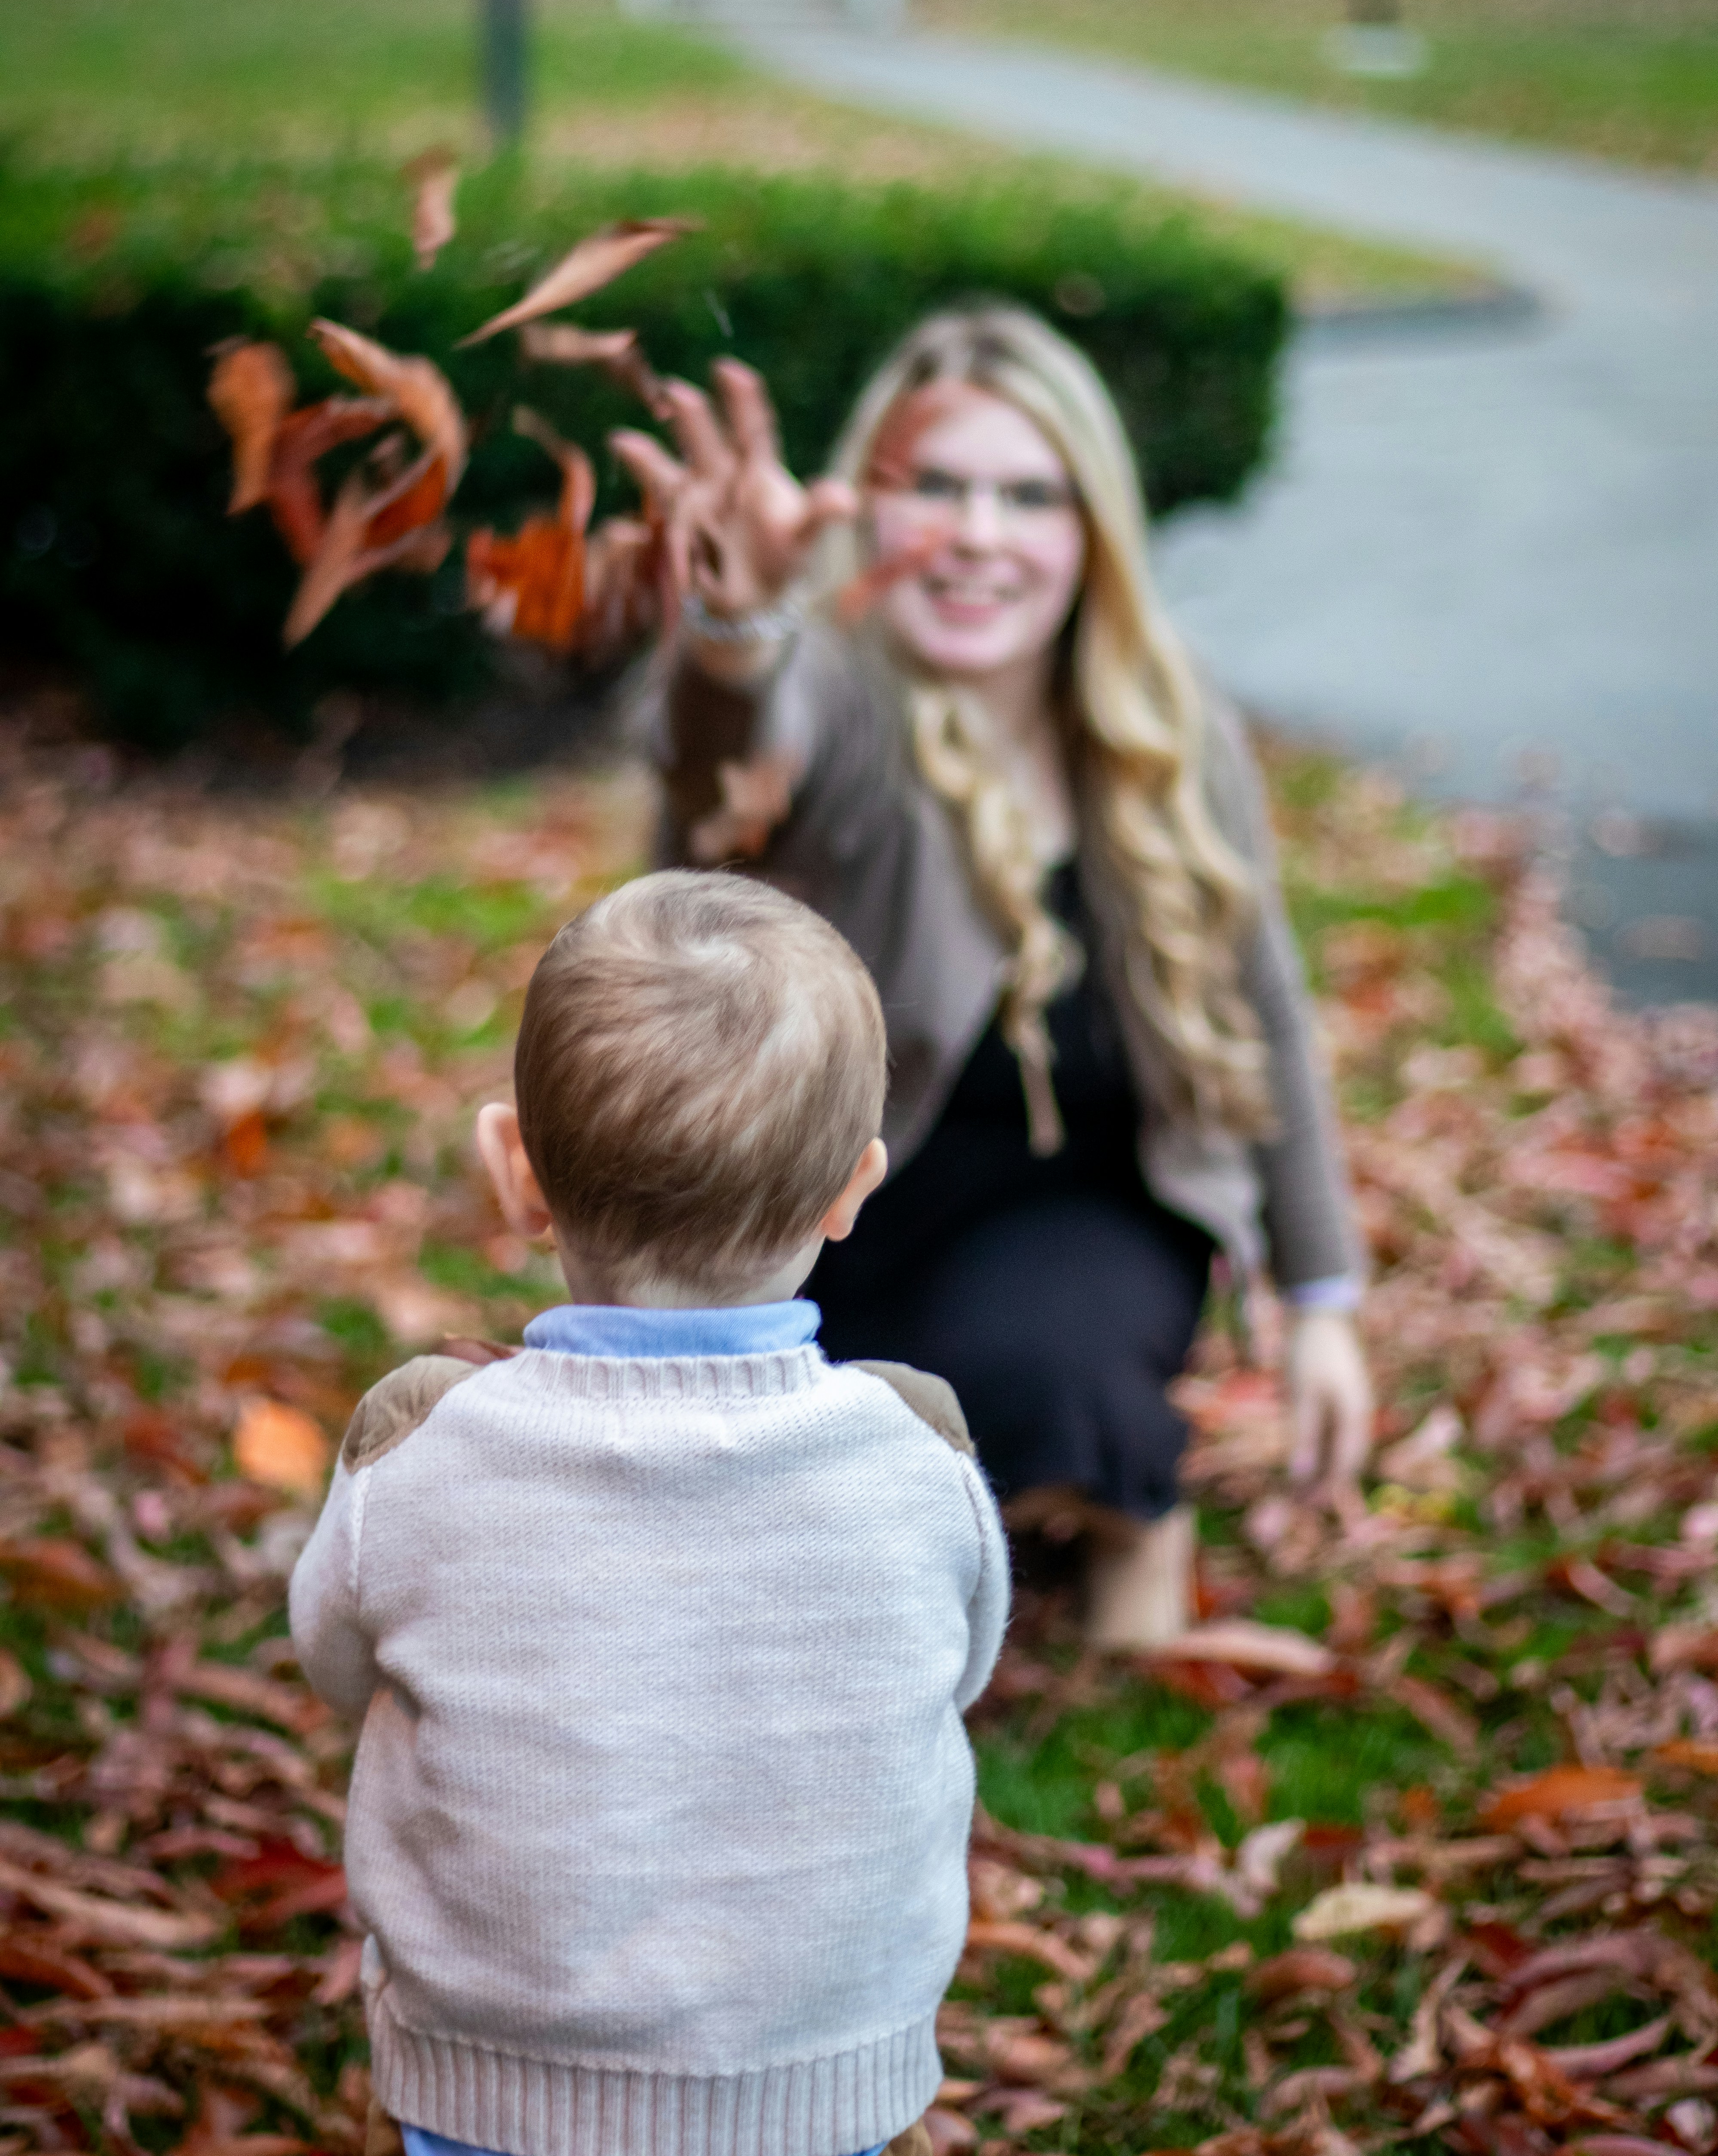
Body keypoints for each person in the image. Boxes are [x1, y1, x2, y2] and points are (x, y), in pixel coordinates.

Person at [612, 304, 1373, 1653]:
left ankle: (1128, 1505)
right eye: (937, 489)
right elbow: (717, 764)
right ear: (871, 513)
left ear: (1090, 535)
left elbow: (1265, 1007)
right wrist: (733, 629)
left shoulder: (1164, 722)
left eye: (1030, 495)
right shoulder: (835, 699)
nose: (978, 534)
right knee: (781, 1522)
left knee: (1027, 1380)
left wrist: (1322, 1302)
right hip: (831, 1217)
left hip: (1088, 1220)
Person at [289, 871, 1010, 2156]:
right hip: (817, 2076)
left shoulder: (423, 1447)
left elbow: (336, 1658)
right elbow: (955, 1671)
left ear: (515, 1171)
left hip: (492, 2077)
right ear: (855, 1189)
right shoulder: (917, 1455)